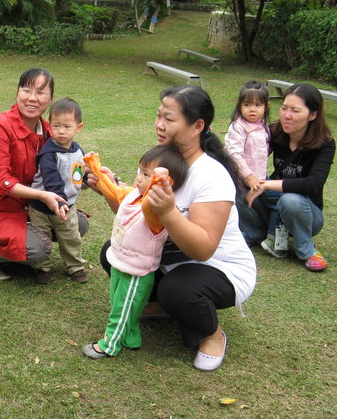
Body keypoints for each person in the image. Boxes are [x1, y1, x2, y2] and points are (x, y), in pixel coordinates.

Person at [86, 85, 256, 371]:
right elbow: (139, 220)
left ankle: (212, 334)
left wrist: (168, 211)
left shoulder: (212, 176)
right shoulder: (165, 161)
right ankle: (164, 307)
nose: (159, 125)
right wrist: (109, 192)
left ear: (197, 126)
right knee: (113, 252)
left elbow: (202, 250)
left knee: (179, 290)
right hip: (170, 258)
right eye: (158, 116)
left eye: (168, 118)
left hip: (219, 267)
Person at [0, 68, 88, 282]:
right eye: (26, 90)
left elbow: (65, 169)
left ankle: (28, 240)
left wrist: (91, 179)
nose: (32, 98)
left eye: (41, 92)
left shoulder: (50, 130)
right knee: (39, 249)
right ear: (17, 93)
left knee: (78, 223)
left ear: (50, 99)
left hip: (30, 208)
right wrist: (42, 196)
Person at [82, 144, 188, 359]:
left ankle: (110, 344)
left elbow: (149, 207)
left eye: (146, 174)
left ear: (166, 184)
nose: (139, 177)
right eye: (140, 171)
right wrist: (95, 167)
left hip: (137, 274)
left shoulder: (157, 210)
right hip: (120, 262)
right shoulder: (134, 195)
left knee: (121, 310)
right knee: (120, 305)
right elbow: (112, 190)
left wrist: (159, 185)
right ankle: (131, 337)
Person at [237, 84, 335, 271]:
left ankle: (306, 249)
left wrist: (266, 184)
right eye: (284, 108)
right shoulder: (274, 131)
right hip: (274, 203)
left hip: (305, 212)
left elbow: (313, 184)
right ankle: (256, 233)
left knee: (291, 200)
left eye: (295, 111)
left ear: (312, 115)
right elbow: (248, 156)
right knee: (238, 182)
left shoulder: (325, 144)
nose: (286, 115)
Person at [28, 97, 88, 284]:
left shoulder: (78, 151)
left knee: (71, 236)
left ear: (78, 127)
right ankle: (42, 268)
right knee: (42, 237)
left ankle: (75, 266)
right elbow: (51, 180)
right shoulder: (48, 153)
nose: (61, 131)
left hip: (66, 206)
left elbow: (78, 172)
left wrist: (88, 180)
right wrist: (59, 200)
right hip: (41, 207)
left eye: (67, 127)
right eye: (56, 126)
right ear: (50, 126)